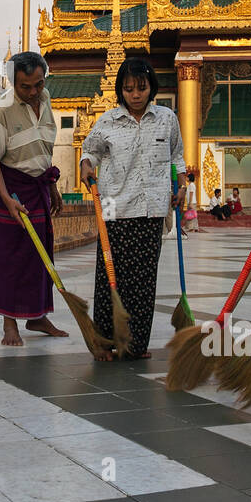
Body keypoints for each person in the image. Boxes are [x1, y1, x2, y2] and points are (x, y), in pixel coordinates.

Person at [80, 57, 186, 361]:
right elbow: (90, 152)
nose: (135, 94)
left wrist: (181, 185)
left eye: (141, 88)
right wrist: (86, 165)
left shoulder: (166, 118)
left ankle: (135, 343)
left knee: (142, 280)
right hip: (113, 206)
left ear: (151, 87)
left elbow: (177, 157)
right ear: (120, 91)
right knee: (110, 277)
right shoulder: (108, 121)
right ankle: (104, 342)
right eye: (128, 89)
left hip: (152, 208)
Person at [0, 51, 68, 347]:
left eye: (38, 85)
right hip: (11, 186)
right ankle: (9, 323)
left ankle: (38, 316)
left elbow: (44, 149)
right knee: (9, 257)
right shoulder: (2, 109)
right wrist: (7, 200)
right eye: (25, 87)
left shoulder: (45, 102)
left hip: (39, 187)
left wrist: (53, 185)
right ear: (13, 82)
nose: (33, 93)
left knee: (39, 253)